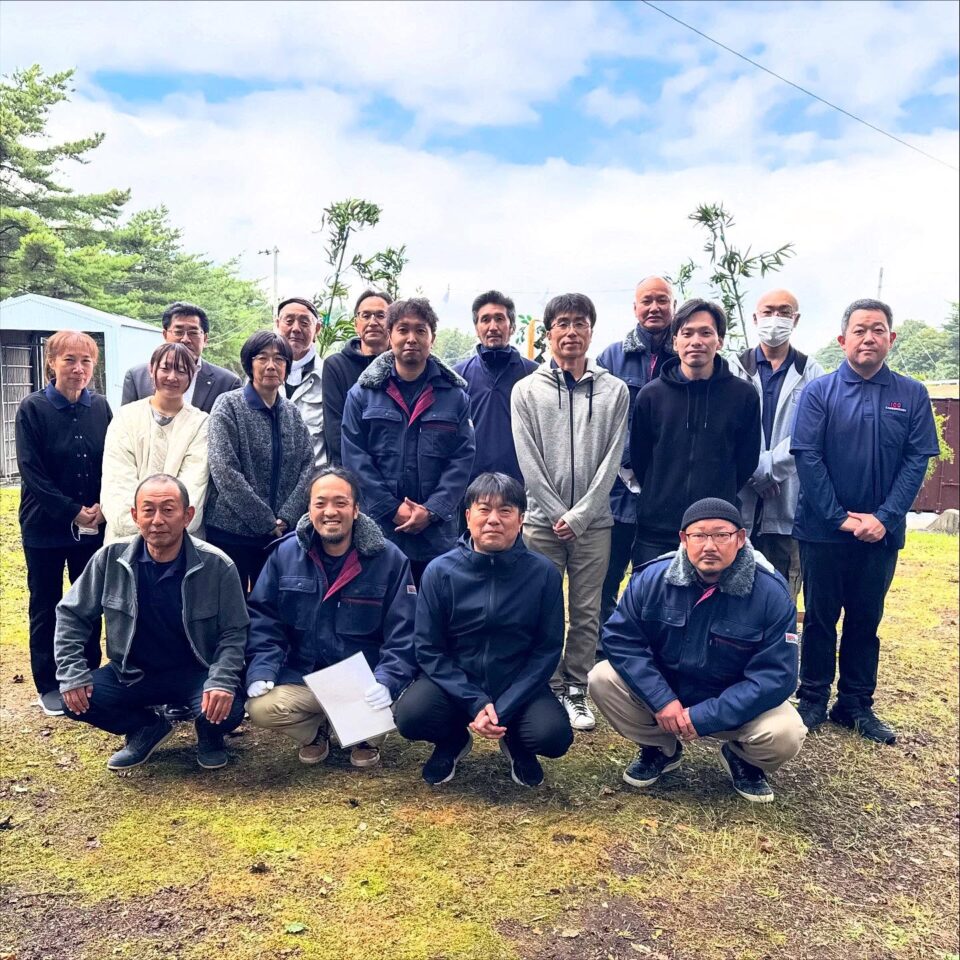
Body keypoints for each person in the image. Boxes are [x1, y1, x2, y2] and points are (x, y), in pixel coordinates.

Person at [589, 498, 806, 803]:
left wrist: (705, 716)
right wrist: (662, 700)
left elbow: (776, 677)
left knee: (786, 732)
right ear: (684, 539)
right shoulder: (651, 578)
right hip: (667, 699)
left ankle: (743, 759)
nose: (709, 545)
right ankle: (661, 749)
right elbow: (621, 639)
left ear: (741, 539)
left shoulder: (771, 593)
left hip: (732, 705)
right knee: (602, 677)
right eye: (699, 536)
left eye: (721, 535)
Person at [792, 299, 940, 744]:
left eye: (878, 330)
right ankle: (812, 698)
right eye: (859, 330)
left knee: (865, 619)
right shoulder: (819, 393)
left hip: (881, 534)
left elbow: (916, 461)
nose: (868, 338)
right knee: (819, 618)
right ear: (843, 340)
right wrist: (839, 518)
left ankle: (855, 704)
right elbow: (808, 458)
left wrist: (885, 518)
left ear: (891, 339)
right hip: (823, 532)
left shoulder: (911, 394)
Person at [55, 475, 248, 771]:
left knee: (230, 702)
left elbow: (234, 632)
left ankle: (209, 735)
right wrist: (72, 672)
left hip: (196, 672)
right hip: (130, 674)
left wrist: (220, 679)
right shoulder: (109, 559)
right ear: (135, 516)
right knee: (74, 699)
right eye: (148, 510)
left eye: (168, 510)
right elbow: (72, 614)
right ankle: (146, 728)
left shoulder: (217, 565)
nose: (157, 520)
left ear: (188, 516)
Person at [395, 473, 572, 786]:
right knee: (411, 715)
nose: (494, 520)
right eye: (484, 509)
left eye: (505, 511)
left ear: (521, 519)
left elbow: (547, 650)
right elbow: (428, 648)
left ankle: (516, 741)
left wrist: (503, 707)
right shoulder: (439, 572)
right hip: (455, 685)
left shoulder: (542, 573)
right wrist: (475, 701)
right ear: (467, 516)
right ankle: (452, 741)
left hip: (516, 685)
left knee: (553, 736)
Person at [245, 467, 417, 768]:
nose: (330, 512)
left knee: (396, 710)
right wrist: (262, 668)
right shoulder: (284, 556)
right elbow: (264, 619)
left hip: (365, 682)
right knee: (261, 708)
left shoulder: (389, 559)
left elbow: (404, 631)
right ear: (308, 508)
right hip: (304, 679)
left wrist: (388, 680)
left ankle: (363, 734)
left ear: (356, 509)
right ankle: (316, 730)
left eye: (340, 502)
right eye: (320, 503)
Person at [511, 293, 629, 731]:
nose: (571, 331)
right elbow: (528, 458)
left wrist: (580, 516)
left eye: (580, 322)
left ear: (591, 331)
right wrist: (558, 511)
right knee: (539, 606)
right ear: (549, 333)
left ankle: (577, 687)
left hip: (595, 524)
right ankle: (545, 684)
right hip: (541, 522)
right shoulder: (526, 391)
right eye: (562, 323)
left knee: (587, 608)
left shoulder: (614, 390)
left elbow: (612, 459)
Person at [341, 297, 476, 585]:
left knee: (436, 616)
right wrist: (392, 509)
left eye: (420, 331)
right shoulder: (362, 394)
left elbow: (462, 459)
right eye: (403, 330)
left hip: (436, 535)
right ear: (390, 336)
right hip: (380, 528)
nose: (411, 338)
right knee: (381, 614)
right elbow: (355, 459)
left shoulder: (454, 397)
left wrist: (432, 510)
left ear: (432, 338)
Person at [15, 331, 111, 717]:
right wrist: (72, 510)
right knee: (47, 603)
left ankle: (87, 672)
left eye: (86, 361)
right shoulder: (32, 409)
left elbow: (113, 460)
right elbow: (31, 471)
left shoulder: (101, 406)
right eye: (69, 360)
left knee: (89, 601)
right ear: (51, 362)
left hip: (95, 523)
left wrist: (103, 505)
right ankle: (49, 682)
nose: (78, 368)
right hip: (46, 525)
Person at [630, 299, 761, 565]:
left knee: (715, 605)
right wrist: (660, 491)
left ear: (720, 341)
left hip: (717, 530)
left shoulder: (743, 395)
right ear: (675, 341)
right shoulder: (651, 395)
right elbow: (640, 458)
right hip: (657, 529)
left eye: (705, 333)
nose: (696, 341)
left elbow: (746, 461)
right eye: (687, 333)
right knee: (653, 602)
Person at [730, 290, 825, 600]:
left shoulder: (812, 373)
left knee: (779, 590)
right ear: (755, 318)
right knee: (732, 586)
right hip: (738, 495)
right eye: (768, 311)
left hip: (785, 497)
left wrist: (770, 470)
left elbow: (810, 434)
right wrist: (755, 472)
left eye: (784, 312)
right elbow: (724, 430)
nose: (775, 318)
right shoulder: (731, 368)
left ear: (795, 320)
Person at [205, 331, 315, 595]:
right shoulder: (229, 405)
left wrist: (286, 518)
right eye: (262, 358)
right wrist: (265, 521)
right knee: (231, 610)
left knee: (274, 610)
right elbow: (224, 469)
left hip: (281, 535)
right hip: (232, 532)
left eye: (279, 359)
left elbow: (308, 466)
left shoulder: (291, 412)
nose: (271, 365)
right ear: (249, 363)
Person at [596, 276, 676, 637]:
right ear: (635, 307)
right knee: (605, 578)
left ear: (674, 305)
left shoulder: (685, 355)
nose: (655, 308)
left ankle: (643, 645)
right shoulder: (612, 357)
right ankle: (603, 644)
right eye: (647, 301)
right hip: (614, 492)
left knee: (655, 577)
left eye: (662, 300)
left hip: (666, 492)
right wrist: (628, 459)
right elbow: (596, 419)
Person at [101, 343, 209, 544]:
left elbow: (194, 485)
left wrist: (167, 525)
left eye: (181, 370)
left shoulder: (201, 423)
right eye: (165, 368)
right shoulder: (126, 417)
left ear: (192, 376)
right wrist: (145, 525)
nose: (172, 377)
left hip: (181, 542)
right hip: (125, 540)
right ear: (152, 369)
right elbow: (117, 483)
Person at [453, 290, 536, 486]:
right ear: (476, 327)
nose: (493, 327)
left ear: (512, 326)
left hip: (520, 487)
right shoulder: (458, 377)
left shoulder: (534, 375)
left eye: (499, 319)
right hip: (470, 489)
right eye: (485, 320)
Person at [122, 301, 240, 412]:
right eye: (178, 332)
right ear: (165, 335)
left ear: (205, 338)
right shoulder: (137, 377)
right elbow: (126, 424)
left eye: (193, 333)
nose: (185, 339)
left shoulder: (228, 383)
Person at [322, 289, 393, 465]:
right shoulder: (336, 365)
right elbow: (335, 430)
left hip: (392, 472)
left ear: (392, 323)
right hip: (348, 471)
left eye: (380, 315)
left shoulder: (402, 365)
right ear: (356, 324)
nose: (373, 322)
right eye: (366, 315)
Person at [275, 297, 326, 468]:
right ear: (277, 324)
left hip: (315, 484)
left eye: (304, 323)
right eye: (289, 321)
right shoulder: (259, 376)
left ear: (317, 329)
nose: (295, 329)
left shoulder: (329, 377)